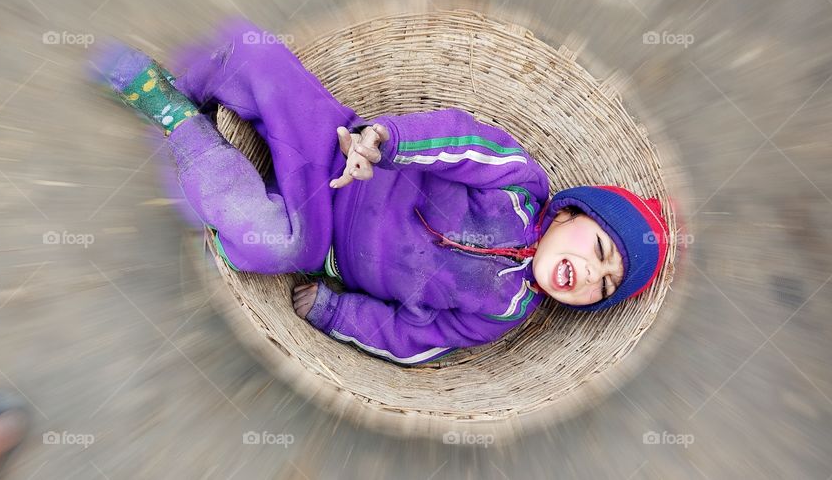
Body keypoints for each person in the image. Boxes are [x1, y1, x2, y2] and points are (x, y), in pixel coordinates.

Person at [95, 18, 669, 365]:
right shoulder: (518, 183)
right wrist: (384, 141)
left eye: (605, 285)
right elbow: (457, 140)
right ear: (569, 213)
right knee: (265, 61)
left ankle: (178, 121)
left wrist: (336, 312)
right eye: (599, 251)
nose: (590, 276)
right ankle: (201, 80)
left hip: (321, 242)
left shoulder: (504, 310)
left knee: (266, 244)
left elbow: (413, 338)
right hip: (343, 150)